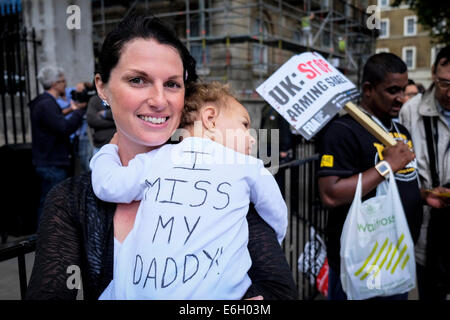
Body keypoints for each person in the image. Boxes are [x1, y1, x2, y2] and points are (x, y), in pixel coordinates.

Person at [25, 13, 298, 300]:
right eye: (138, 80)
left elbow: (278, 291)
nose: (158, 100)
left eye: (172, 84)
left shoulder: (236, 183)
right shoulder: (71, 201)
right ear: (102, 87)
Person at [89, 82, 287, 299]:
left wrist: (109, 149)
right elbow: (276, 215)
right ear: (210, 118)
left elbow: (107, 184)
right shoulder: (248, 166)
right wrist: (273, 241)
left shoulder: (155, 159)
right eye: (244, 125)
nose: (251, 137)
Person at [316, 53, 424, 300]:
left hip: (397, 257)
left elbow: (400, 184)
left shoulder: (399, 130)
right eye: (392, 90)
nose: (401, 98)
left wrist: (423, 196)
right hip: (361, 262)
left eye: (404, 90)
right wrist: (387, 166)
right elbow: (331, 194)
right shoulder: (342, 131)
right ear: (368, 89)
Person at [399, 45, 450, 300]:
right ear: (432, 73)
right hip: (427, 227)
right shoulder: (411, 110)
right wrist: (423, 193)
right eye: (444, 83)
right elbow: (404, 170)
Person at [29, 66, 87, 226]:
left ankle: (44, 236)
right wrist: (79, 112)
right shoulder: (47, 104)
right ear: (54, 83)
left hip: (47, 160)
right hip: (52, 162)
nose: (65, 83)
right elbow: (63, 128)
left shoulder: (42, 102)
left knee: (48, 201)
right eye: (62, 81)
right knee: (52, 203)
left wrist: (71, 109)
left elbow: (54, 119)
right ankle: (45, 238)